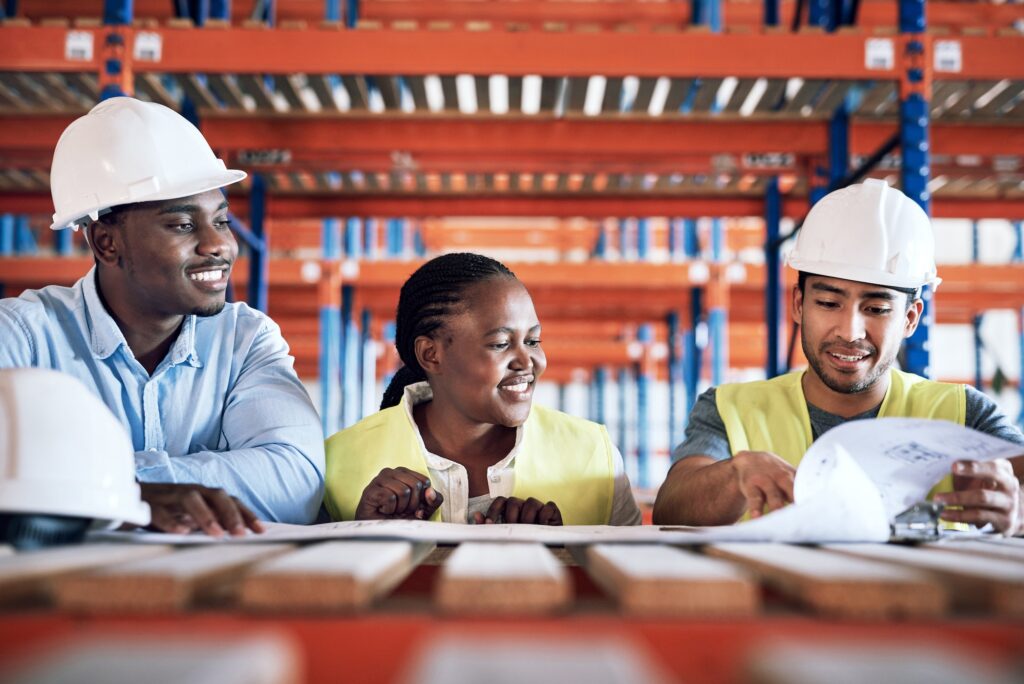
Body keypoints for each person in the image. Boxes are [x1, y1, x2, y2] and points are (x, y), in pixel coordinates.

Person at [0, 97, 325, 536]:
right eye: (182, 225)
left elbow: (295, 480)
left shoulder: (245, 340)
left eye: (222, 221)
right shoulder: (22, 337)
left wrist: (107, 489)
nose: (218, 245)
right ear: (106, 243)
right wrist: (133, 497)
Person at [653, 179, 1023, 535]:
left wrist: (1017, 512)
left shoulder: (964, 414)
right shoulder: (730, 409)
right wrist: (734, 475)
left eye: (876, 308)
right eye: (829, 303)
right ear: (799, 305)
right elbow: (671, 511)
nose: (850, 332)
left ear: (910, 318)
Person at [324, 252, 642, 526]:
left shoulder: (594, 455)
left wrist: (560, 558)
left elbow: (636, 588)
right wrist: (363, 540)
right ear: (431, 355)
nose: (527, 361)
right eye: (501, 344)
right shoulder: (336, 463)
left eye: (533, 340)